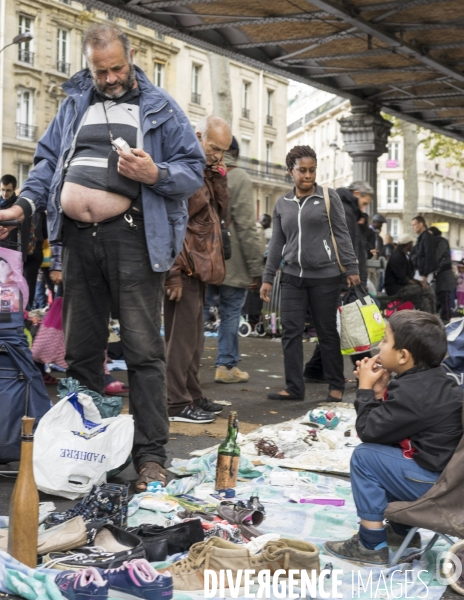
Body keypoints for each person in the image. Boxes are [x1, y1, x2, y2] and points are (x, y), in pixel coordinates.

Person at [0, 24, 205, 491]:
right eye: (100, 71)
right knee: (81, 353)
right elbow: (47, 162)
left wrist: (155, 173)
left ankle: (151, 455)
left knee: (143, 350)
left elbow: (192, 172)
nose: (110, 78)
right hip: (75, 239)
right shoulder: (76, 102)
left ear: (130, 59)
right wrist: (23, 207)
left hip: (130, 238)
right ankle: (88, 452)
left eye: (117, 69)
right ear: (89, 66)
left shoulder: (159, 106)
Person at [325, 311, 463, 565]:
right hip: (447, 479)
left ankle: (370, 544)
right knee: (383, 452)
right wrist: (379, 394)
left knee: (365, 457)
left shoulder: (413, 392)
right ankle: (401, 533)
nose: (380, 346)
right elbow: (388, 429)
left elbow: (368, 430)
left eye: (386, 340)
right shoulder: (433, 380)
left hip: (435, 487)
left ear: (403, 355)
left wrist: (365, 389)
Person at [260, 145, 360, 402]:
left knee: (327, 332)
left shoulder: (328, 197)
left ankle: (336, 384)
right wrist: (268, 277)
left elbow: (341, 234)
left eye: (312, 170)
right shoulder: (282, 203)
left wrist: (352, 268)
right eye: (302, 170)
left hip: (325, 278)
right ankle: (294, 387)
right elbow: (276, 245)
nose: (308, 175)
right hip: (292, 277)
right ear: (290, 171)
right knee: (290, 331)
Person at [164, 115, 231, 421]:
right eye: (215, 147)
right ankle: (176, 403)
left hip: (198, 265)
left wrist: (217, 175)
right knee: (181, 339)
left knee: (193, 339)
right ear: (200, 135)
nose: (218, 155)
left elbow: (218, 213)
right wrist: (173, 273)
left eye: (223, 151)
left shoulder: (204, 170)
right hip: (184, 266)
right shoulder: (183, 167)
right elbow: (171, 222)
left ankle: (191, 394)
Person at [303, 180, 374, 385]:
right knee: (353, 325)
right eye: (365, 202)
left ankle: (316, 368)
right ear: (357, 194)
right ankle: (364, 367)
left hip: (337, 276)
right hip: (346, 278)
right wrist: (351, 278)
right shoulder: (347, 211)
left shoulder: (340, 206)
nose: (365, 207)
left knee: (337, 326)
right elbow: (346, 245)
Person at [213, 137, 264, 383]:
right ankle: (226, 366)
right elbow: (246, 226)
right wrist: (256, 268)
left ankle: (184, 368)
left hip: (202, 259)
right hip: (230, 261)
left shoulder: (201, 171)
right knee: (231, 313)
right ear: (235, 152)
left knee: (197, 314)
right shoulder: (239, 177)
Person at [384, 233, 435, 313]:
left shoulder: (404, 255)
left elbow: (409, 277)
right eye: (412, 243)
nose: (412, 246)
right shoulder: (397, 257)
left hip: (403, 287)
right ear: (408, 244)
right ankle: (433, 318)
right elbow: (403, 279)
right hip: (396, 289)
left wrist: (420, 282)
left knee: (424, 299)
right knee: (427, 290)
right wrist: (419, 283)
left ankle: (429, 320)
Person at [0, 174, 31, 262]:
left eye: (8, 190)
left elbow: (25, 232)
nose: (5, 194)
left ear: (14, 189)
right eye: (3, 190)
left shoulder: (20, 206)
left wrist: (22, 257)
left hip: (13, 251)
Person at [429, 226, 455, 323]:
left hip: (445, 276)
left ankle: (446, 318)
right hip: (441, 276)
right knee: (440, 297)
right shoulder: (438, 242)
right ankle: (444, 317)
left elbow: (437, 256)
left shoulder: (441, 242)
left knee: (444, 297)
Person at [411, 215, 436, 283]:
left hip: (423, 274)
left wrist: (425, 274)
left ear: (421, 224)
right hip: (420, 272)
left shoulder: (427, 237)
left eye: (414, 225)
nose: (412, 227)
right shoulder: (421, 237)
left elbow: (429, 256)